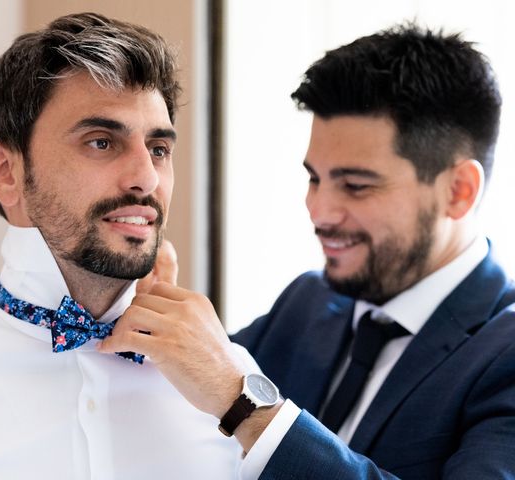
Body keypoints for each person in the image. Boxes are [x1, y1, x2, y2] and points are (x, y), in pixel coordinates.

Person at [99, 24, 515, 478]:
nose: (318, 210)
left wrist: (246, 405)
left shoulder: (505, 354)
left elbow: (224, 388)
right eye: (315, 178)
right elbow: (189, 395)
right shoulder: (305, 302)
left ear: (459, 190)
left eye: (355, 186)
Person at [0, 12, 255, 479]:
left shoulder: (234, 386)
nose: (146, 178)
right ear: (5, 172)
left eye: (158, 148)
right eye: (101, 142)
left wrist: (237, 396)